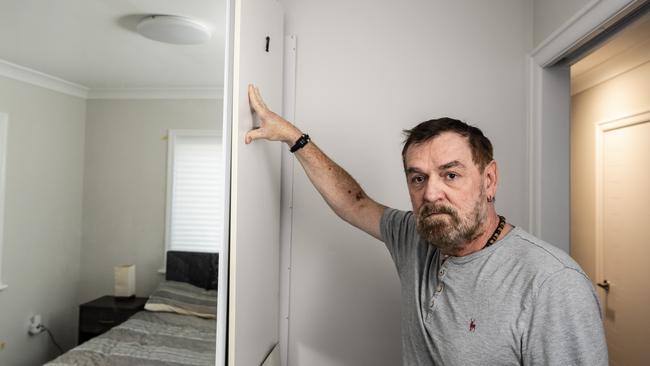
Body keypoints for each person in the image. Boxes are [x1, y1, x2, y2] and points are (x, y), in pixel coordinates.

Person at [245, 85, 608, 365]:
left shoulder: (551, 285)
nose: (431, 193)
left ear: (489, 179)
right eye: (418, 179)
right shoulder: (416, 236)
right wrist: (293, 137)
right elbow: (352, 202)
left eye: (450, 174)